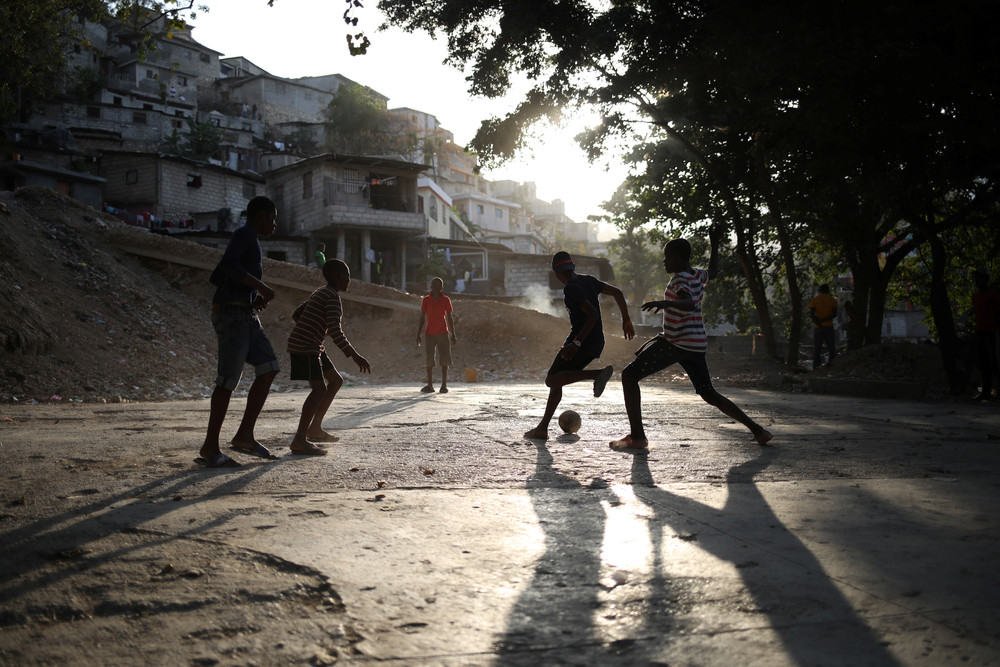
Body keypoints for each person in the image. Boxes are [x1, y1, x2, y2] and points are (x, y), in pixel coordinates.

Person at [610, 228, 773, 450]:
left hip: (676, 343)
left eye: (667, 257)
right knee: (708, 392)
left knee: (629, 375)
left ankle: (637, 437)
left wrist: (666, 303)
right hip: (696, 344)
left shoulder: (679, 280)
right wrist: (714, 244)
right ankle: (758, 431)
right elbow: (713, 271)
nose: (664, 261)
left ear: (678, 258)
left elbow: (689, 303)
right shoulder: (698, 275)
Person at [198, 196, 281, 467]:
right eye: (272, 217)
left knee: (268, 366)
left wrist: (252, 296)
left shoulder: (251, 239)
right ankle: (210, 448)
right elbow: (228, 266)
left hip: (245, 315)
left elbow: (231, 275)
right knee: (227, 381)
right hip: (232, 317)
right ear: (259, 215)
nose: (274, 224)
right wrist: (261, 287)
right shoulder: (244, 234)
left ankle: (244, 435)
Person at [524, 252, 635, 439]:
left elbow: (592, 315)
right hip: (594, 340)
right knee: (557, 378)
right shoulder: (588, 280)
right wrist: (626, 319)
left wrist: (576, 343)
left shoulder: (571, 289)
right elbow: (618, 292)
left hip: (582, 341)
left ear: (557, 273)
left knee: (551, 380)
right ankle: (542, 428)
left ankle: (596, 374)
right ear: (572, 267)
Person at [287, 259, 372, 453]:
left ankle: (315, 428)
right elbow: (335, 330)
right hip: (305, 346)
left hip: (312, 345)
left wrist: (314, 327)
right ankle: (299, 439)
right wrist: (355, 356)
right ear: (337, 277)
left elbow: (296, 314)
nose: (349, 280)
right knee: (318, 390)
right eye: (347, 276)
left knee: (335, 381)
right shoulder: (331, 297)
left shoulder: (320, 292)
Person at [416, 277, 457, 393]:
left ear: (442, 287)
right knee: (429, 360)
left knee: (445, 359)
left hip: (443, 332)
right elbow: (422, 318)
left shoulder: (446, 300)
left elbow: (449, 318)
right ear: (431, 287)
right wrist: (418, 334)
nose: (437, 288)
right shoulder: (426, 300)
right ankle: (430, 385)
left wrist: (453, 334)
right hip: (429, 333)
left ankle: (444, 385)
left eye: (439, 286)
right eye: (435, 285)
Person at [971, 268, 1000, 401]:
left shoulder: (993, 295)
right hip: (980, 332)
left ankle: (994, 391)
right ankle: (986, 391)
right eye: (976, 278)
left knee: (993, 362)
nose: (977, 281)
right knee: (983, 363)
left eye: (979, 278)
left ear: (986, 280)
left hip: (991, 332)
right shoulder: (975, 296)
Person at [809, 284, 838, 369]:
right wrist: (825, 320)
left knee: (817, 349)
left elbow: (812, 315)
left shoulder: (814, 300)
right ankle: (832, 366)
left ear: (820, 291)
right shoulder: (832, 300)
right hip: (829, 326)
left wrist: (819, 323)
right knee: (831, 348)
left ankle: (816, 367)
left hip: (818, 327)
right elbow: (834, 314)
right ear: (828, 290)